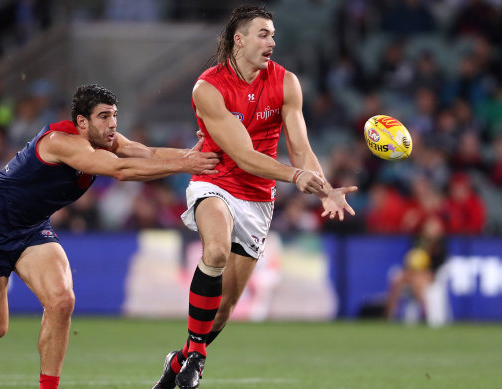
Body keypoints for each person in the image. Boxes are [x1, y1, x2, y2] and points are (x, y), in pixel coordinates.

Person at [0, 84, 220, 389]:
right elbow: (121, 170)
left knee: (62, 300)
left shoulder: (106, 141)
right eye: (103, 116)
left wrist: (194, 154)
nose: (112, 124)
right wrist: (186, 166)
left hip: (30, 228)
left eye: (114, 115)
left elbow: (148, 152)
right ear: (82, 122)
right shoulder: (61, 142)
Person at [152, 6, 357, 389]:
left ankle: (180, 358)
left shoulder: (286, 83)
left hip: (258, 199)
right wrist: (297, 177)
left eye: (274, 35)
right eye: (263, 34)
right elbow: (243, 155)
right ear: (239, 39)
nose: (272, 42)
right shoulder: (208, 88)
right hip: (215, 181)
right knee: (213, 252)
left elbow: (301, 148)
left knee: (224, 308)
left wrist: (325, 187)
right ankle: (197, 355)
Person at [384, 215, 448, 321]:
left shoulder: (440, 245)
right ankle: (390, 313)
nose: (430, 230)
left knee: (417, 282)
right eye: (428, 227)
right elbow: (410, 258)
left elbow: (439, 265)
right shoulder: (418, 242)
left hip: (430, 274)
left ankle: (425, 313)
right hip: (414, 271)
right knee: (397, 280)